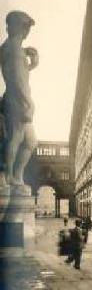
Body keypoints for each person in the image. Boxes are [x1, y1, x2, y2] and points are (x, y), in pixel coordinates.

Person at [0, 11, 38, 187]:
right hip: (17, 99)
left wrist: (33, 64)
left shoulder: (11, 48)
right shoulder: (14, 50)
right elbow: (16, 78)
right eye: (26, 27)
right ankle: (7, 177)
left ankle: (15, 176)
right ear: (18, 27)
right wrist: (28, 101)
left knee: (30, 141)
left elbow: (19, 73)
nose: (27, 31)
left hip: (16, 97)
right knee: (16, 137)